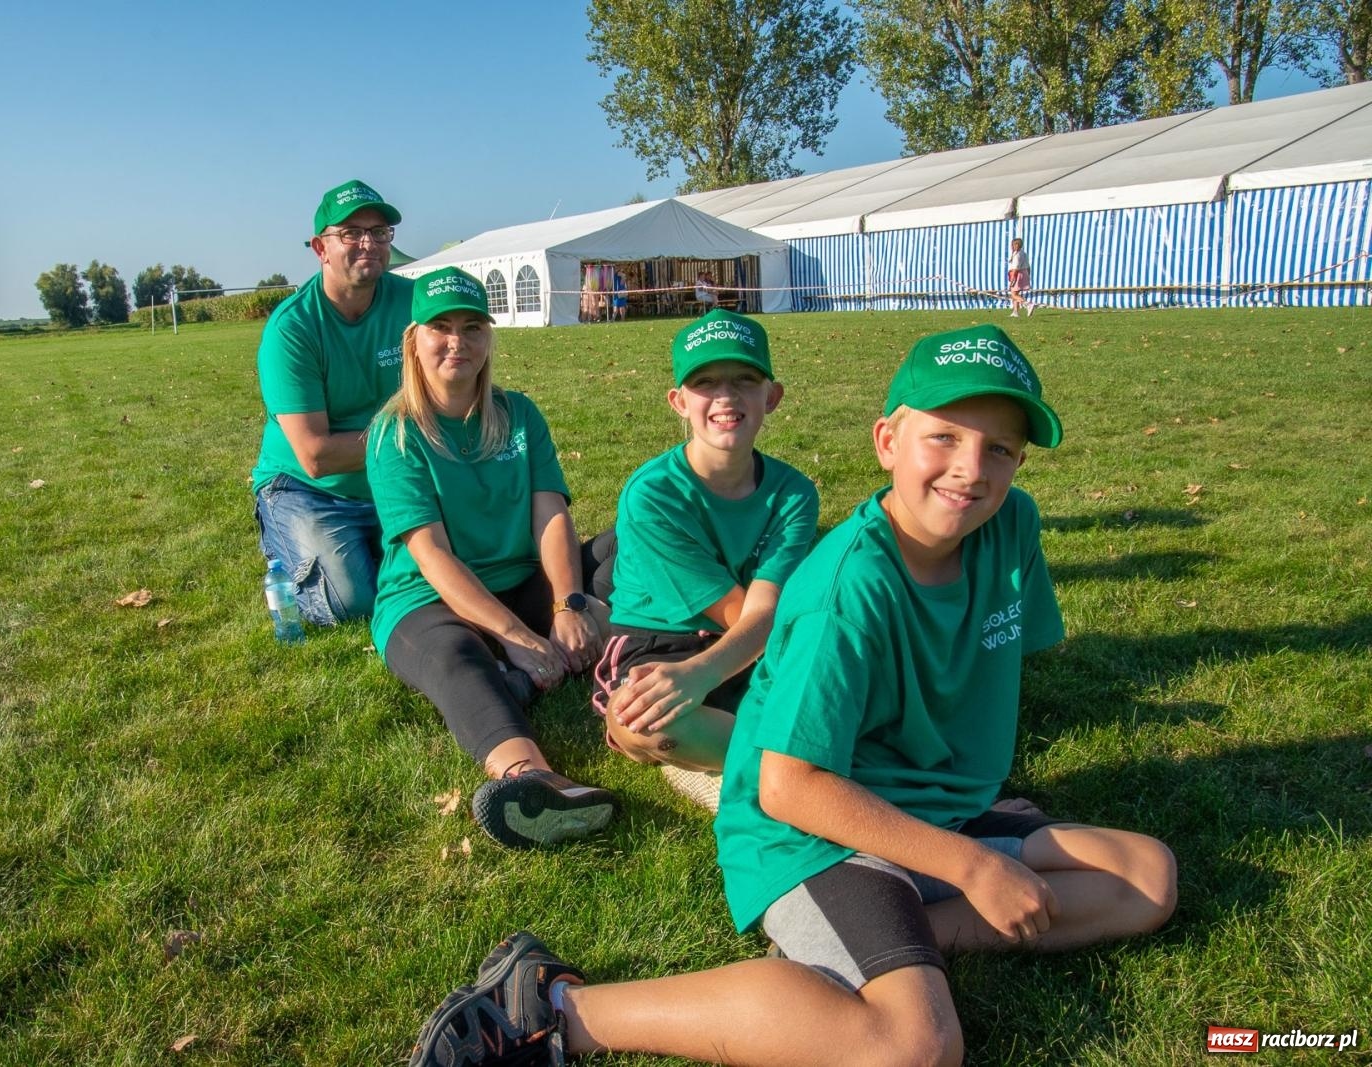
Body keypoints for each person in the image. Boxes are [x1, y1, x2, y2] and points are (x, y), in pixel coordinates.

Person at [407, 324, 1178, 1067]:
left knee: (1147, 879)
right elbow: (786, 785)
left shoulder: (1012, 524)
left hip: (939, 803)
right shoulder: (848, 587)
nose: (972, 468)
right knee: (916, 1047)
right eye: (944, 436)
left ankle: (885, 939)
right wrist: (974, 869)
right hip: (822, 826)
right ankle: (556, 1008)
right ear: (887, 441)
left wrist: (960, 839)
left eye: (1000, 447)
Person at [367, 267, 616, 850]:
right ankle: (532, 785)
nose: (458, 341)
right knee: (457, 657)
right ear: (414, 341)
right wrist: (514, 635)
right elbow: (430, 556)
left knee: (625, 545)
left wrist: (568, 603)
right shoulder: (394, 434)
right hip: (427, 601)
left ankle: (648, 651)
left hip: (522, 581)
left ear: (489, 336)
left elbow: (550, 513)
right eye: (442, 327)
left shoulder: (517, 414)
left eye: (473, 326)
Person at [593, 309, 817, 812]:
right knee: (639, 721)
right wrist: (691, 675)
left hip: (749, 634)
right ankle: (808, 772)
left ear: (772, 397)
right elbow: (739, 614)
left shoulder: (793, 492)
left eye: (745, 379)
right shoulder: (652, 494)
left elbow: (759, 615)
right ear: (679, 402)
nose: (726, 397)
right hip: (660, 639)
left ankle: (747, 758)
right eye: (706, 382)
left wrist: (704, 676)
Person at [252, 179, 414, 626]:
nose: (369, 243)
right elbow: (316, 456)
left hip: (390, 478)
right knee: (350, 604)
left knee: (455, 570)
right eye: (351, 233)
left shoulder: (412, 303)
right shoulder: (293, 329)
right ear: (320, 248)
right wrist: (415, 437)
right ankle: (282, 537)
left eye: (379, 232)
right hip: (309, 489)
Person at [1008, 236, 1033, 317]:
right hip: (1024, 273)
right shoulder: (1024, 253)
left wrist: (1012, 278)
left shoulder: (1017, 255)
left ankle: (1028, 304)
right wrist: (1028, 276)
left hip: (1017, 274)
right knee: (1015, 292)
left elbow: (1016, 267)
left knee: (1013, 294)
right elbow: (1028, 266)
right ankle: (1015, 312)